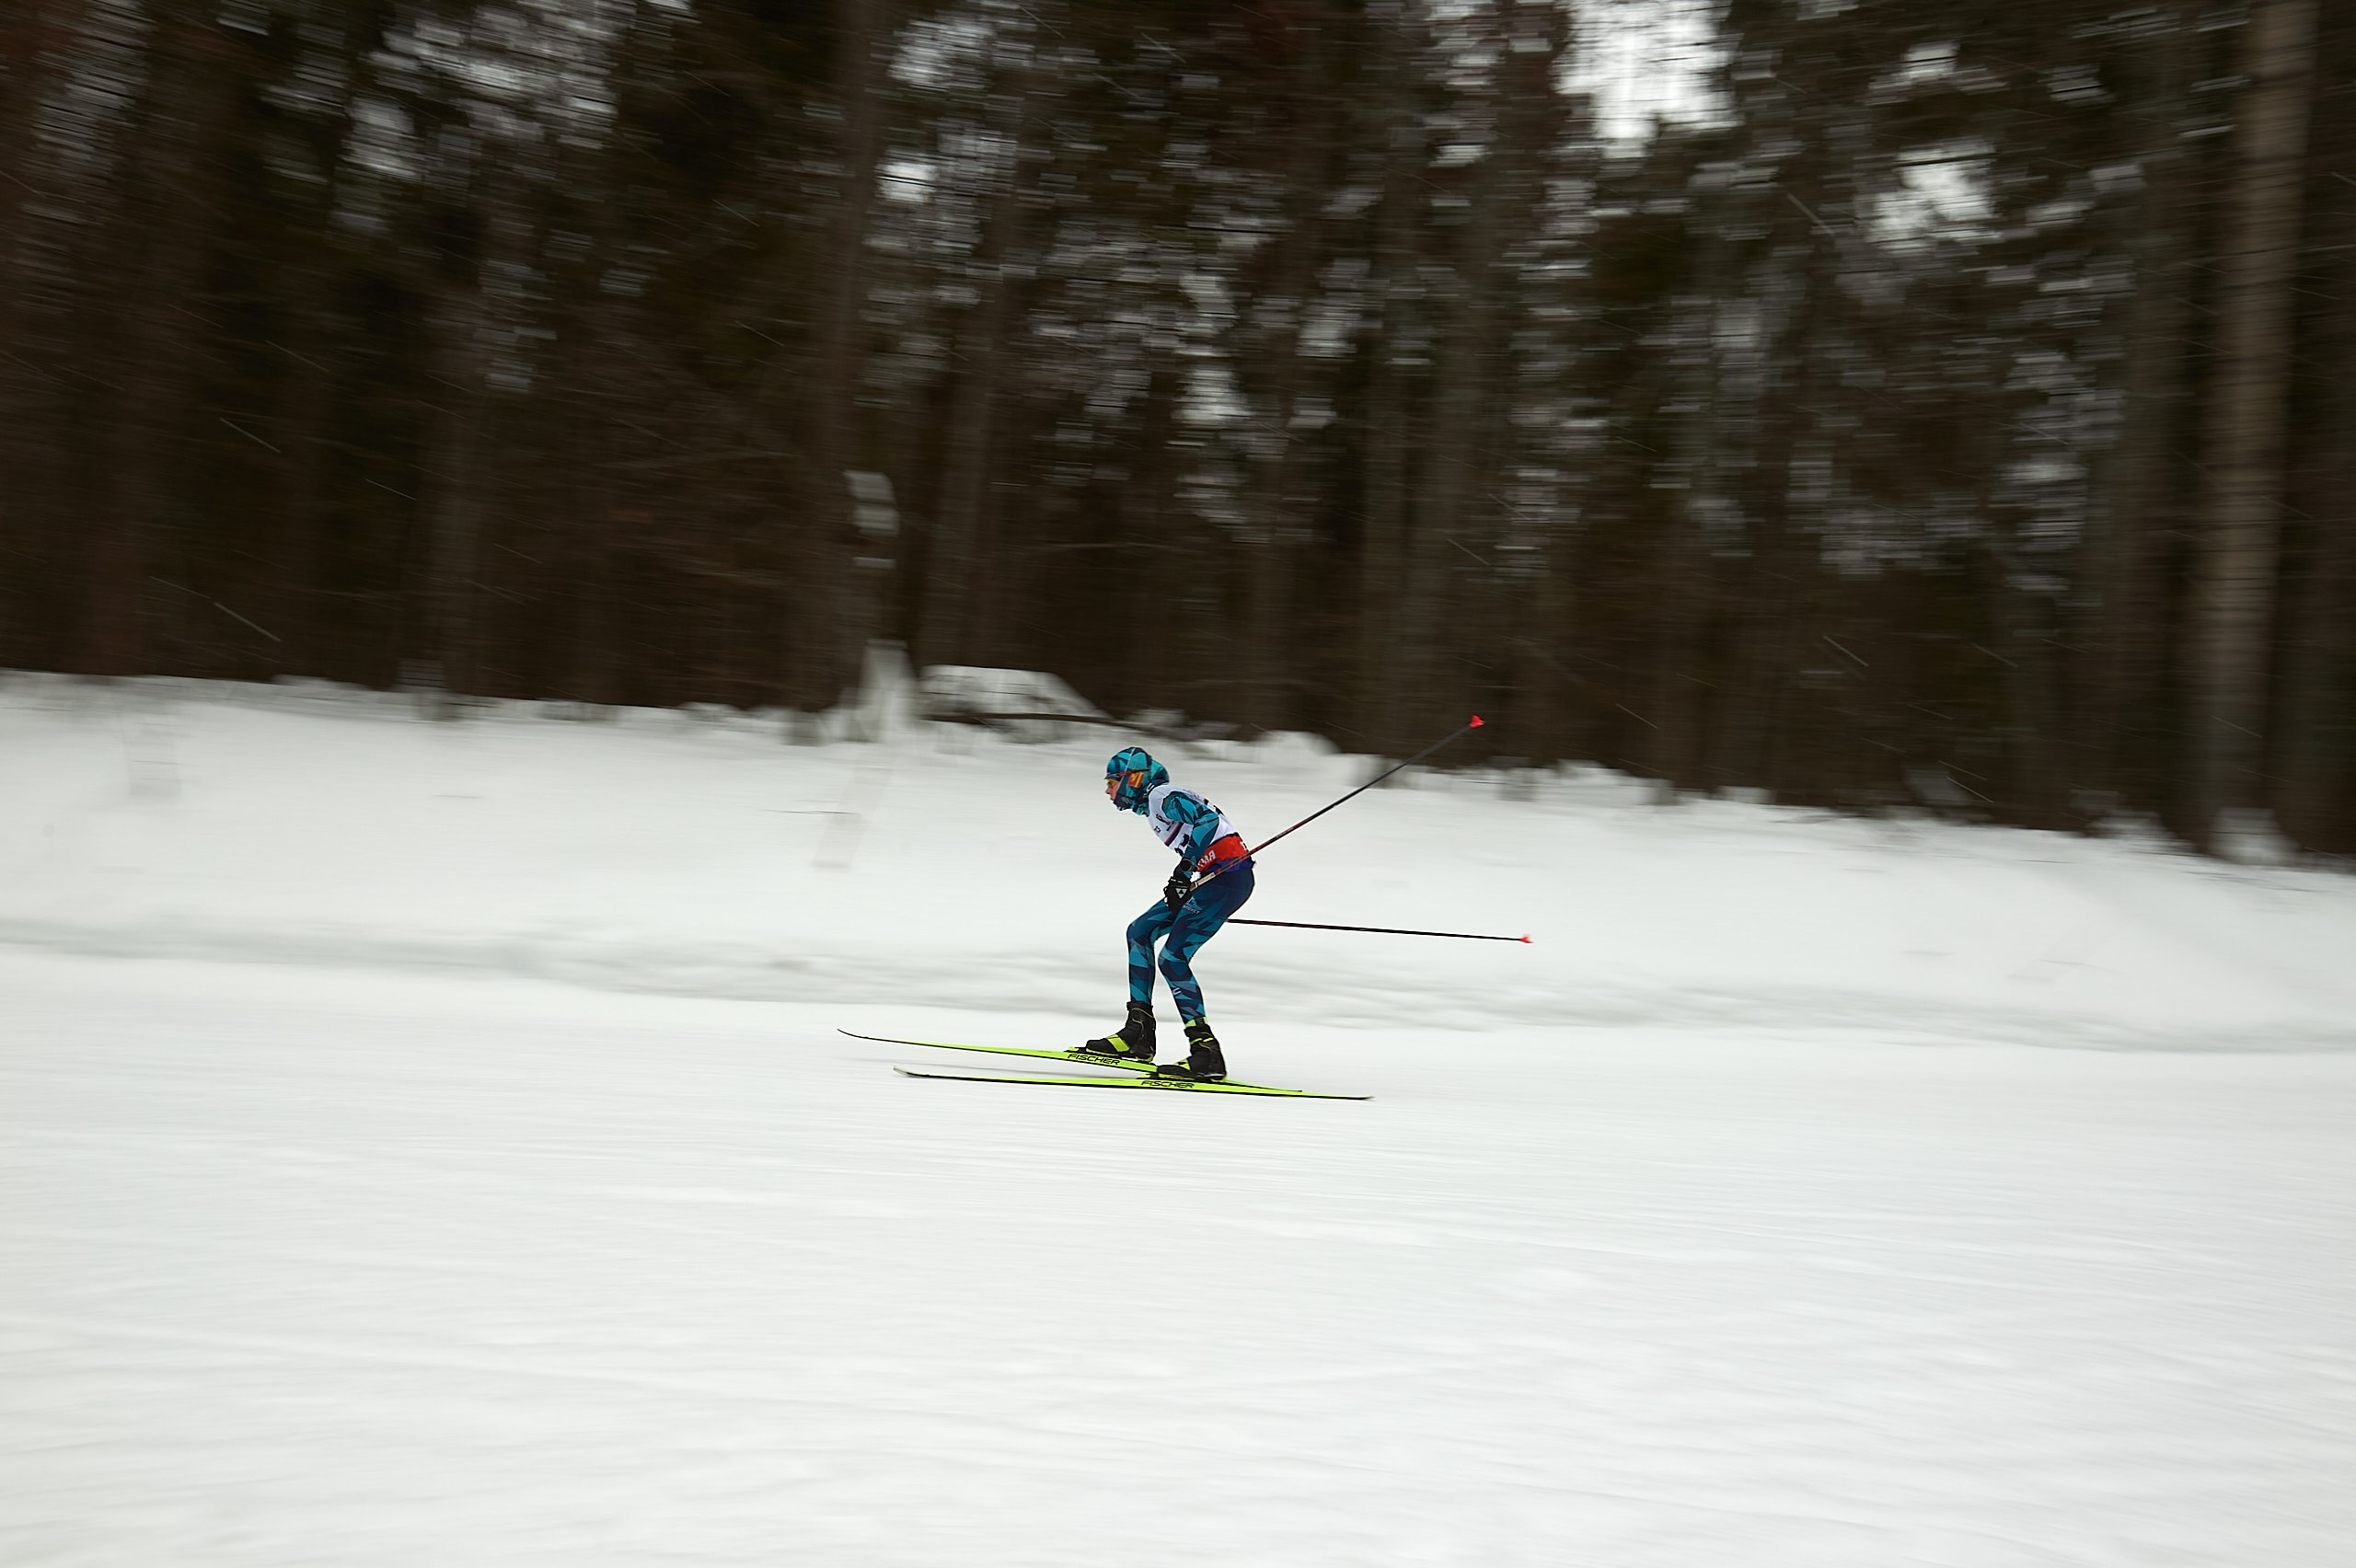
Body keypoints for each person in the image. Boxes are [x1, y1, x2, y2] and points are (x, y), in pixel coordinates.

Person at [1079, 745, 1253, 1080]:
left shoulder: (1160, 796)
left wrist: (1184, 871)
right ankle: (1138, 1032)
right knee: (1140, 932)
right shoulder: (1155, 806)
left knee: (1173, 959)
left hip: (1226, 880)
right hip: (1212, 880)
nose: (1108, 790)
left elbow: (1207, 820)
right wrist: (1186, 876)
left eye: (1112, 782)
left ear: (1132, 779)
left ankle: (1206, 1052)